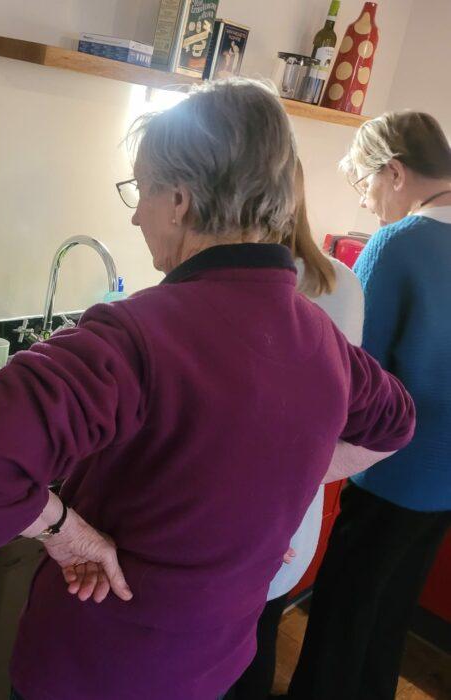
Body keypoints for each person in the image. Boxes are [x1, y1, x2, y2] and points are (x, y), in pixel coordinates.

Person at [0, 79, 415, 700]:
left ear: (181, 200)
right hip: (209, 667)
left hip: (94, 669)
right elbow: (397, 424)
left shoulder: (139, 332)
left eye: (142, 190)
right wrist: (278, 473)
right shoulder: (319, 337)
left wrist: (65, 532)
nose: (135, 213)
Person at [286, 111, 451, 700]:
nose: (370, 201)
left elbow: (356, 373)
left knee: (342, 615)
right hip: (445, 480)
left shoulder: (399, 242)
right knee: (388, 617)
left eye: (367, 183)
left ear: (396, 172)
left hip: (392, 473)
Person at [224, 159, 365, 700]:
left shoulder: (255, 284)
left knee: (230, 647)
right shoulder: (342, 283)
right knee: (256, 639)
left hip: (265, 509)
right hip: (291, 508)